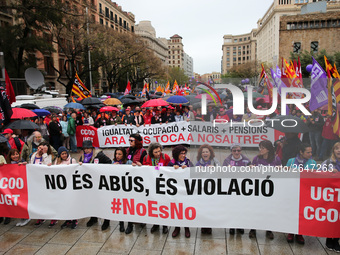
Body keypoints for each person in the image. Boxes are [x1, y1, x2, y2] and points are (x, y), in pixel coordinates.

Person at [249, 140, 281, 240]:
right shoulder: (256, 159)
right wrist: (250, 168)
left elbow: (281, 173)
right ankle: (253, 229)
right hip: (258, 188)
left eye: (262, 148)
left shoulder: (276, 159)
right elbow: (251, 172)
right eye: (260, 147)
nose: (260, 150)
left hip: (270, 189)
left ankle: (269, 229)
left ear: (268, 149)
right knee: (256, 209)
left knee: (269, 209)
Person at [285, 143, 316, 244]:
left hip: (305, 191)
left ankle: (300, 233)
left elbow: (318, 177)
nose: (310, 154)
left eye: (311, 152)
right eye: (308, 152)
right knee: (292, 211)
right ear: (301, 152)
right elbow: (285, 175)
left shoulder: (313, 162)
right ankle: (290, 232)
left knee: (302, 212)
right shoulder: (291, 161)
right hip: (292, 190)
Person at [79, 140, 112, 231]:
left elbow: (109, 163)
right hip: (90, 184)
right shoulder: (83, 157)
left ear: (92, 148)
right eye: (85, 149)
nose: (86, 150)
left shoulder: (99, 155)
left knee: (103, 201)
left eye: (88, 148)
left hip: (100, 183)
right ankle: (94, 218)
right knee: (92, 201)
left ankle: (106, 220)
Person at [222, 143, 251, 235]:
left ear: (241, 151)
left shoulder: (246, 160)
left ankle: (240, 225)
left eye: (238, 150)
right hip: (232, 187)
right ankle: (232, 225)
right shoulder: (227, 161)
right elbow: (222, 173)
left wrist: (251, 168)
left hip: (243, 188)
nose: (236, 152)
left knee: (241, 207)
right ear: (231, 151)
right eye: (234, 151)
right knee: (231, 207)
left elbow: (252, 173)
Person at [143, 142, 170, 234]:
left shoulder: (165, 157)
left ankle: (165, 224)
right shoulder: (146, 158)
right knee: (154, 204)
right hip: (152, 184)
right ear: (151, 152)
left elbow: (169, 169)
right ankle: (156, 224)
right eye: (155, 152)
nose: (158, 153)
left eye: (159, 151)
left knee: (163, 205)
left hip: (163, 184)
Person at [168, 145, 193, 238]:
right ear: (176, 154)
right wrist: (172, 169)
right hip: (175, 190)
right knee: (176, 209)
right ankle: (177, 227)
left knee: (185, 209)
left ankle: (187, 228)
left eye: (184, 153)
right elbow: (166, 174)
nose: (183, 155)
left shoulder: (188, 162)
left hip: (185, 190)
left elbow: (194, 172)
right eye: (181, 153)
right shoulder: (171, 163)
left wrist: (188, 168)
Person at [195, 144, 221, 235]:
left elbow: (221, 171)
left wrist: (215, 168)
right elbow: (194, 174)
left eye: (207, 152)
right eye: (203, 152)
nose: (205, 153)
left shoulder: (215, 161)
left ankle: (209, 225)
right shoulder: (198, 162)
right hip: (202, 188)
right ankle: (203, 225)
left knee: (210, 207)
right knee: (203, 207)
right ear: (201, 154)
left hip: (213, 188)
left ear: (210, 153)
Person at [321, 142, 340, 252]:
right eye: (337, 148)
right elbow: (318, 176)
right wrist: (328, 172)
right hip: (330, 197)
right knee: (331, 217)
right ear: (333, 150)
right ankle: (329, 240)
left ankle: (336, 240)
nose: (339, 150)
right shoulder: (327, 163)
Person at [54, 146, 78, 229]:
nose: (64, 155)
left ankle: (74, 219)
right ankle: (68, 219)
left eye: (65, 153)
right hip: (62, 186)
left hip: (70, 185)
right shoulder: (57, 162)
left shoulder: (72, 160)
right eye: (62, 154)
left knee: (72, 202)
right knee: (65, 203)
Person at [112, 147, 132, 233]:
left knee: (129, 207)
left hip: (127, 189)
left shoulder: (129, 162)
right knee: (120, 207)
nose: (117, 156)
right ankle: (121, 224)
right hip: (118, 189)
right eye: (116, 154)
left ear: (124, 155)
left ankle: (130, 224)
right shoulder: (113, 163)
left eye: (119, 154)